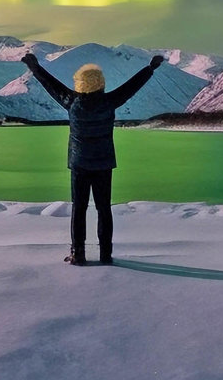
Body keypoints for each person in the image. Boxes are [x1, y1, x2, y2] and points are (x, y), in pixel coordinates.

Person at [21, 52, 165, 266]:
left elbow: (50, 84)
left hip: (79, 164)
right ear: (101, 83)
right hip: (104, 163)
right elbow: (132, 87)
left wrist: (35, 67)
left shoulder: (71, 101)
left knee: (79, 209)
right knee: (103, 209)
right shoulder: (109, 101)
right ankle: (106, 255)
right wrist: (150, 68)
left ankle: (78, 254)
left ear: (79, 83)